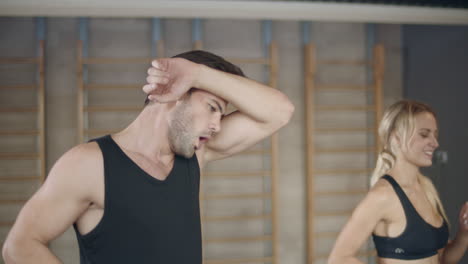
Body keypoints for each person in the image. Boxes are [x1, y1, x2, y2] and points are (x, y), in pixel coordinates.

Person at [2, 50, 294, 264]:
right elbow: (20, 246)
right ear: (175, 94)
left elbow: (280, 112)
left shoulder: (196, 154)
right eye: (213, 107)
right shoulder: (88, 164)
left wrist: (198, 73)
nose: (217, 125)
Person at [328, 100, 468, 264]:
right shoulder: (383, 195)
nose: (435, 143)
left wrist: (464, 234)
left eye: (435, 135)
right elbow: (339, 258)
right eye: (424, 134)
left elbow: (442, 258)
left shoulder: (426, 188)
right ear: (397, 138)